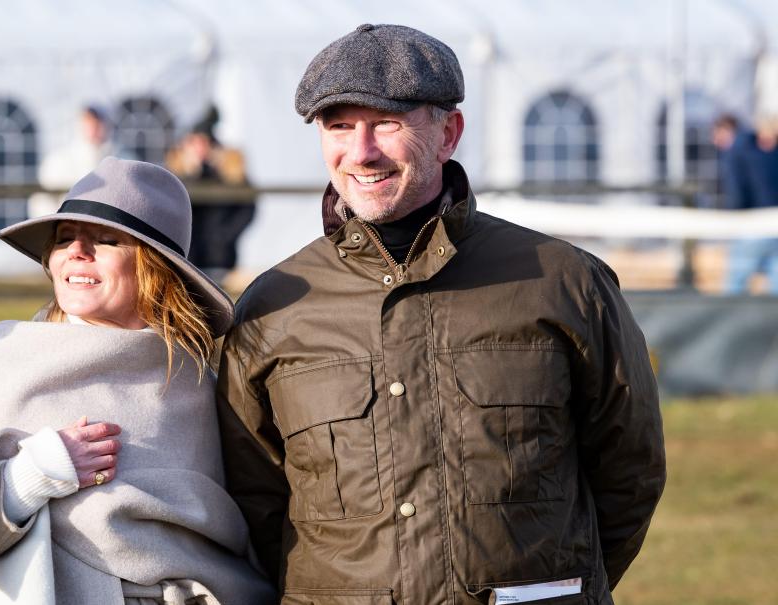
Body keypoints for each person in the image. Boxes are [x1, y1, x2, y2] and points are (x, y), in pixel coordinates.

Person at [216, 24, 665, 604]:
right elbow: (255, 499)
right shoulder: (274, 307)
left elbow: (629, 472)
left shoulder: (564, 282)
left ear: (448, 132)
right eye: (340, 126)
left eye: (386, 123)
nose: (362, 151)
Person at [0, 158, 275, 604]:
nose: (77, 252)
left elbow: (243, 519)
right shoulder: (7, 356)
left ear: (155, 270)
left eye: (107, 240)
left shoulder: (194, 381)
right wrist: (25, 480)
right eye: (65, 238)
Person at [166, 106, 256, 283]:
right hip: (186, 254)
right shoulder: (176, 173)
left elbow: (248, 207)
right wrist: (192, 173)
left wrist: (224, 236)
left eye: (204, 142)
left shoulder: (228, 171)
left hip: (219, 256)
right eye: (194, 143)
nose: (200, 148)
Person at [717, 114, 778, 294]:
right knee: (738, 281)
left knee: (736, 283)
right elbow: (737, 191)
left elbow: (736, 191)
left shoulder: (740, 151)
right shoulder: (743, 151)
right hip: (752, 226)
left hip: (754, 228)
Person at [31, 104, 116, 216]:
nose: (93, 128)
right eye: (88, 122)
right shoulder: (59, 161)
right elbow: (41, 201)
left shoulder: (123, 159)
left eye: (96, 123)